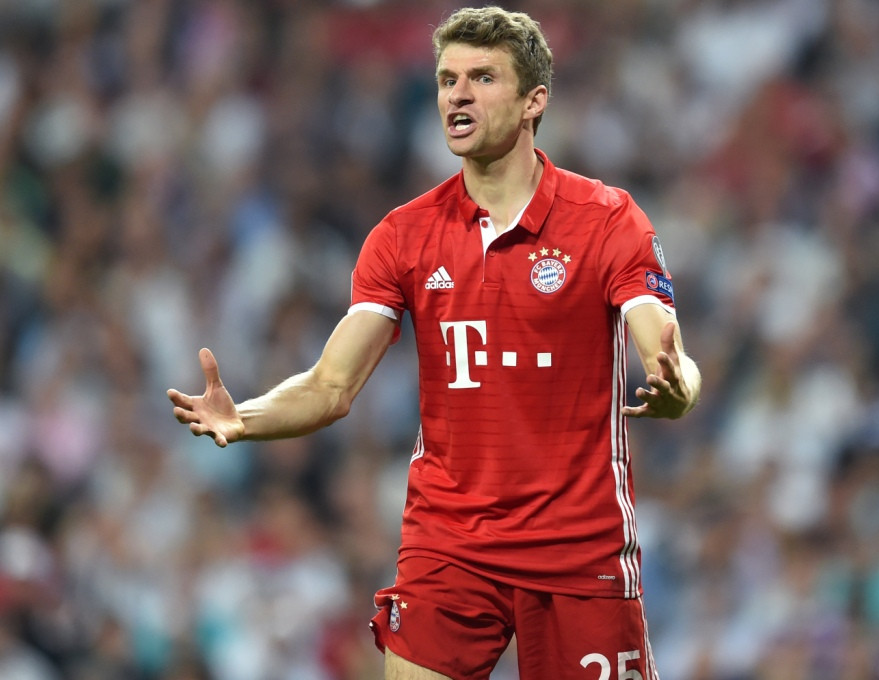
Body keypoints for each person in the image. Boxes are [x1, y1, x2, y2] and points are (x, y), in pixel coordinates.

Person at [168, 6, 701, 679]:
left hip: (577, 543)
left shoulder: (606, 218)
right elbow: (332, 387)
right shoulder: (404, 235)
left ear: (534, 100)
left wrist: (678, 382)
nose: (457, 93)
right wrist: (244, 418)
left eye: (482, 77)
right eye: (448, 79)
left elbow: (659, 335)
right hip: (451, 541)